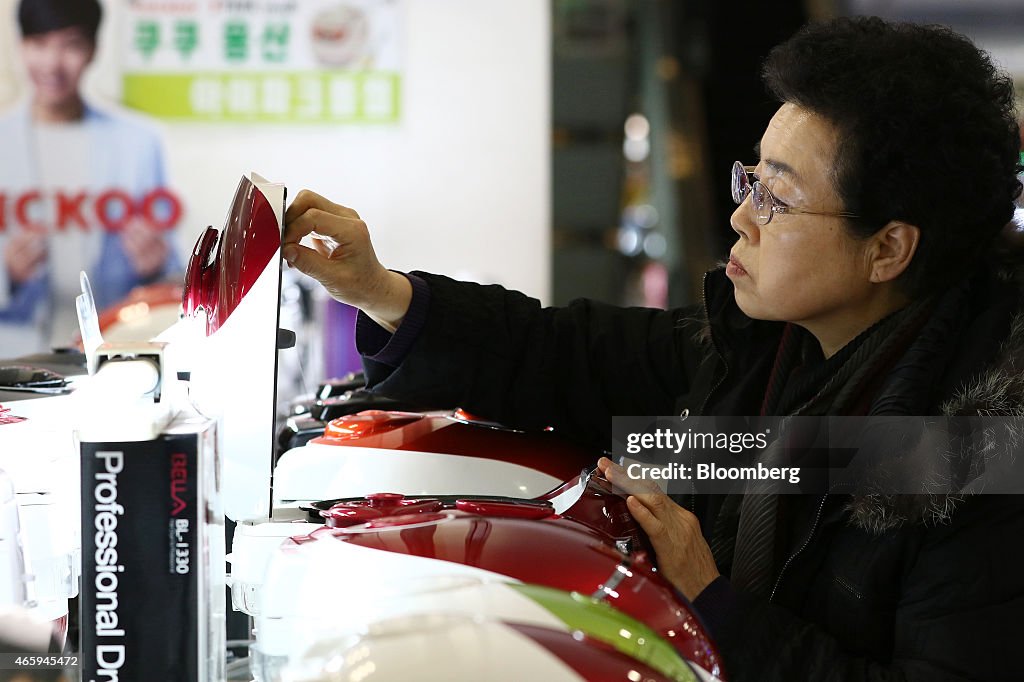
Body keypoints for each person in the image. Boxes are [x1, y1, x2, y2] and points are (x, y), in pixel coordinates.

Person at [282, 16, 1024, 682]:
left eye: (778, 198)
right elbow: (560, 355)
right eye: (750, 178)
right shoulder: (764, 350)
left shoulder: (977, 467)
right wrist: (379, 289)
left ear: (888, 248)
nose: (741, 216)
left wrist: (712, 602)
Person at [0, 0, 181, 356]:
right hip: (12, 353)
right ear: (21, 46)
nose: (53, 63)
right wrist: (7, 272)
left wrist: (156, 266)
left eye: (70, 44)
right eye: (39, 44)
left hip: (114, 349)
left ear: (94, 49)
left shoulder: (139, 142)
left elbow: (172, 274)